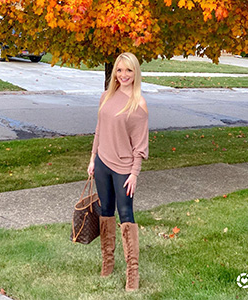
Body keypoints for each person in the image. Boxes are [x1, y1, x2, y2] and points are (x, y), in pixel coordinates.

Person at [87, 52, 149, 291]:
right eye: (120, 70)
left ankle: (132, 272)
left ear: (135, 73)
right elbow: (99, 130)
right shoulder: (106, 96)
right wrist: (92, 159)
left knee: (126, 214)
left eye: (129, 71)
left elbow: (140, 145)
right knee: (105, 211)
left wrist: (134, 173)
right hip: (102, 162)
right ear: (115, 72)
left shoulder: (138, 103)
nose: (124, 75)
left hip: (124, 168)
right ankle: (107, 262)